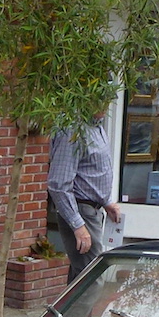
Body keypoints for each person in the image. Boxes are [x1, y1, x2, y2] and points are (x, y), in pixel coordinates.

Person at [48, 112, 122, 282]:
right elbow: (58, 185)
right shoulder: (72, 130)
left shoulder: (97, 127)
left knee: (80, 281)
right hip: (81, 211)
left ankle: (68, 310)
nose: (106, 104)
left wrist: (106, 202)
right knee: (92, 280)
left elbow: (90, 173)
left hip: (93, 211)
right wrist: (78, 226)